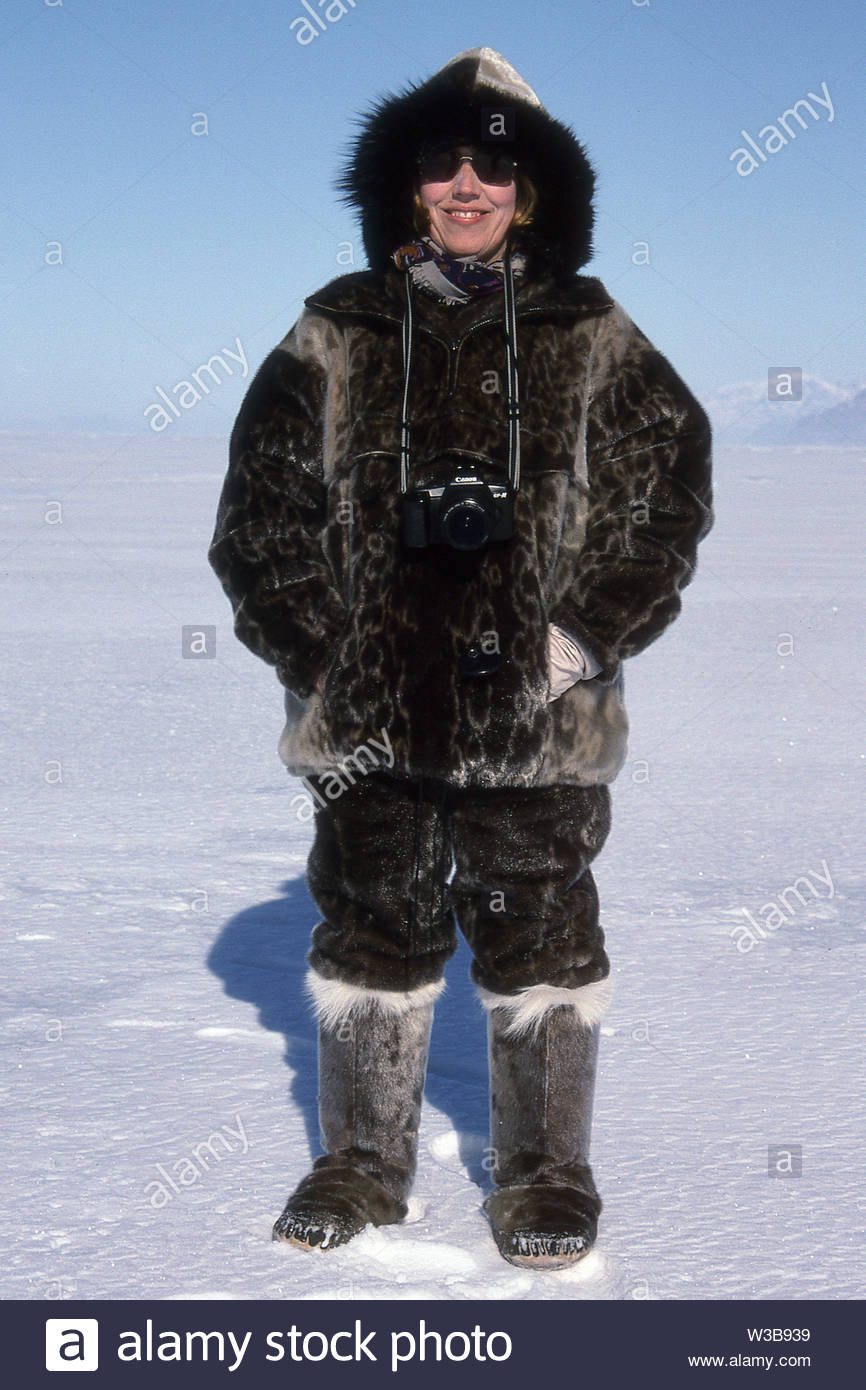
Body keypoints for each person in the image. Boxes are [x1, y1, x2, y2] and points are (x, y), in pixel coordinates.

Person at [208, 47, 713, 1269]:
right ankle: (361, 1163)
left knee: (539, 931)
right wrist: (325, 653)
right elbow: (258, 515)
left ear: (531, 189)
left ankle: (545, 1174)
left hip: (537, 711)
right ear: (405, 186)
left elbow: (666, 494)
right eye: (440, 161)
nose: (467, 183)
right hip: (370, 712)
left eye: (496, 162)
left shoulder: (587, 330)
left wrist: (581, 635)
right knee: (369, 921)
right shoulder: (335, 326)